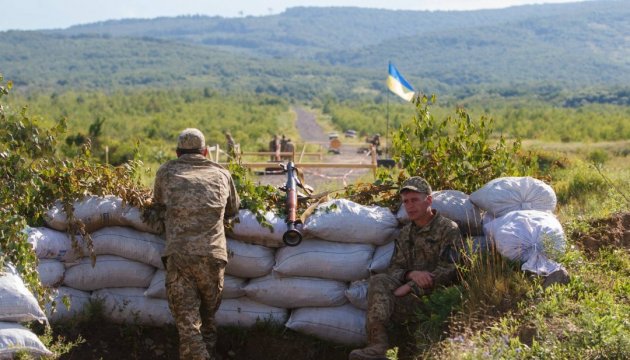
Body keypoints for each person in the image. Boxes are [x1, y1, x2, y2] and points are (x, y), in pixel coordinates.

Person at [349, 177, 463, 360]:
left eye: (414, 200)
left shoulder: (448, 229)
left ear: (429, 200)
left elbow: (450, 269)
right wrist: (411, 275)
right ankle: (377, 348)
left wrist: (411, 286)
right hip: (408, 296)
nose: (409, 206)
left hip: (436, 297)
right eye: (406, 202)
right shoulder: (406, 233)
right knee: (379, 281)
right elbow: (395, 267)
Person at [153, 128, 240, 360]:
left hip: (180, 258)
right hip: (213, 258)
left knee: (188, 325)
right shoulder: (222, 174)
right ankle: (208, 353)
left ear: (177, 152)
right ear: (206, 151)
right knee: (207, 318)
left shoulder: (166, 172)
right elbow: (232, 210)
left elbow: (158, 205)